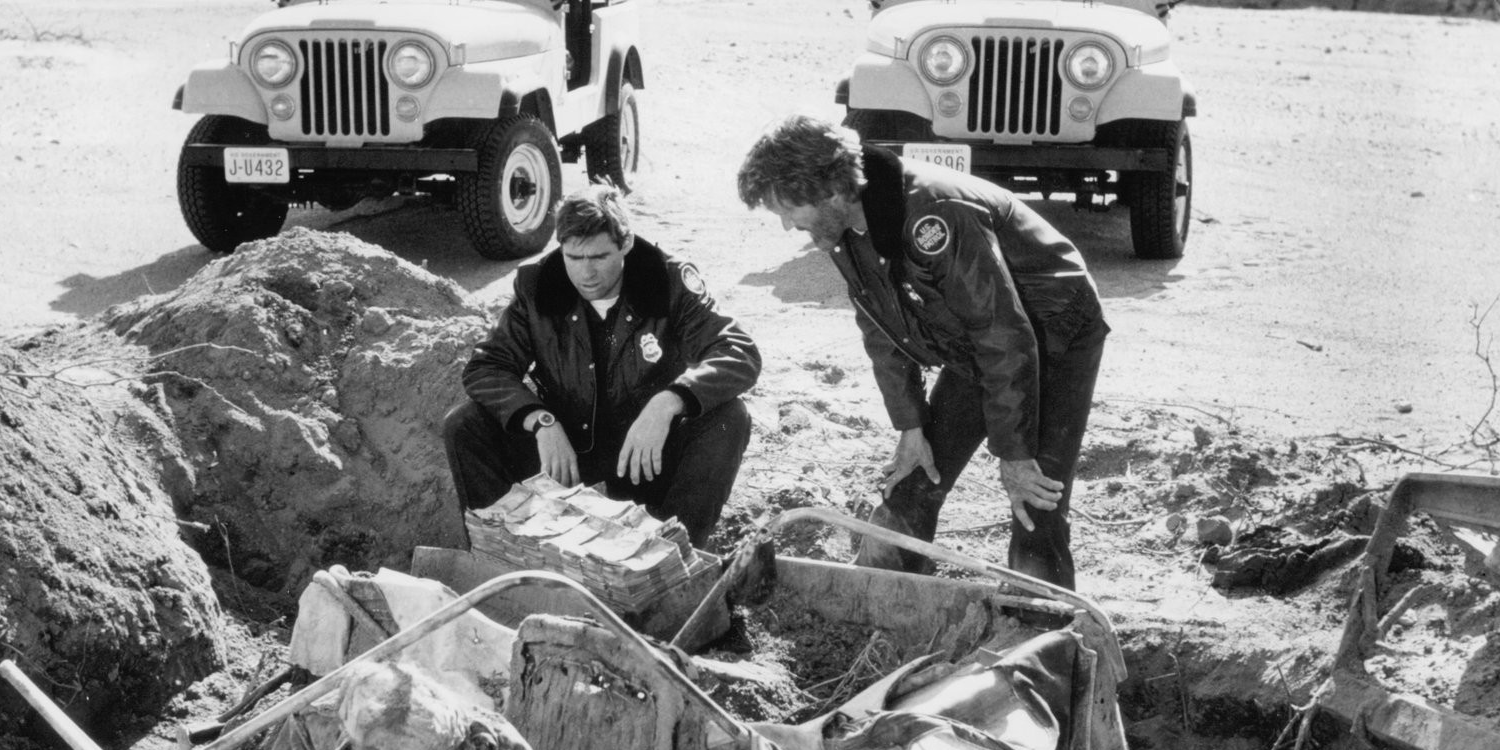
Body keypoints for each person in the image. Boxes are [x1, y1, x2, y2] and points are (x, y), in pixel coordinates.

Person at [735, 115, 1108, 589]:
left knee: (1035, 500)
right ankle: (883, 607)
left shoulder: (935, 214)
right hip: (978, 341)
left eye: (789, 210)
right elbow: (880, 327)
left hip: (1057, 328)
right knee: (912, 483)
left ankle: (1040, 631)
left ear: (830, 189)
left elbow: (1004, 335)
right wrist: (912, 425)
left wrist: (1014, 454)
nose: (788, 226)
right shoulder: (845, 224)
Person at [443, 185, 759, 547]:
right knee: (464, 424)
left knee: (730, 416)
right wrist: (540, 421)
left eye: (598, 257)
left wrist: (669, 402)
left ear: (625, 245)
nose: (586, 273)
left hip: (645, 455)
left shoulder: (666, 279)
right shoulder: (539, 284)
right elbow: (487, 367)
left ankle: (675, 552)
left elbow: (739, 350)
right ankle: (497, 548)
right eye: (573, 257)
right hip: (567, 454)